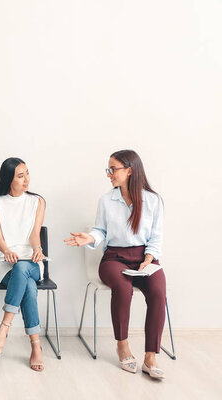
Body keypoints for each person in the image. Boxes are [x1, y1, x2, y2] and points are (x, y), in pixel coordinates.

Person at [65, 149, 166, 380]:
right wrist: (89, 238)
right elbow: (100, 230)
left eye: (113, 169)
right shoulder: (106, 200)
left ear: (129, 171)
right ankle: (123, 345)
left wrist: (148, 260)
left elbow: (156, 237)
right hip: (114, 258)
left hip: (145, 258)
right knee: (123, 288)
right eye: (108, 169)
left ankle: (150, 356)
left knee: (159, 291)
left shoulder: (152, 200)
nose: (109, 174)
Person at [0, 157, 46, 371]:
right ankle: (36, 346)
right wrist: (7, 251)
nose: (26, 179)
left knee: (23, 268)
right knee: (28, 286)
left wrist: (37, 249)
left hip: (31, 261)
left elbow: (34, 235)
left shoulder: (37, 201)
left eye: (27, 173)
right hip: (5, 263)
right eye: (20, 176)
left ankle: (4, 328)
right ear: (9, 179)